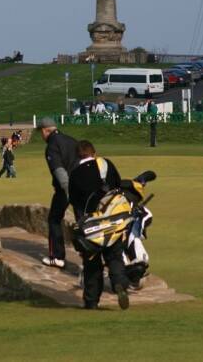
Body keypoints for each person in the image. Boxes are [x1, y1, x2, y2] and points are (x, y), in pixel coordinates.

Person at [67, 140, 129, 310]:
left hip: (91, 225)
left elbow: (74, 202)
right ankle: (119, 284)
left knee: (92, 264)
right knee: (115, 256)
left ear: (78, 156)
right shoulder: (106, 164)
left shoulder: (75, 174)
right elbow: (118, 186)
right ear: (93, 153)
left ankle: (91, 301)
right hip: (113, 221)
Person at [35, 117, 79, 269]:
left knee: (54, 219)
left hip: (65, 189)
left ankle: (57, 257)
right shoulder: (71, 140)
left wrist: (68, 192)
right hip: (83, 186)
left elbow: (59, 170)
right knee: (84, 221)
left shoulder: (52, 145)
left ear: (44, 131)